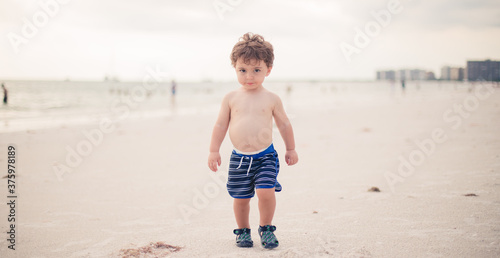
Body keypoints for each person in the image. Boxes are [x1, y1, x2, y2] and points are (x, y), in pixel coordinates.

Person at [208, 33, 298, 249]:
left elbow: (284, 124)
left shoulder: (271, 98)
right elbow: (220, 125)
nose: (249, 76)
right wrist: (214, 150)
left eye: (256, 70)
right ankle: (243, 231)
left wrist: (291, 148)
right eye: (243, 70)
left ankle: (266, 228)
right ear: (235, 69)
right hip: (239, 158)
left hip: (265, 155)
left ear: (268, 70)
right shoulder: (230, 98)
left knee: (265, 191)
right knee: (240, 198)